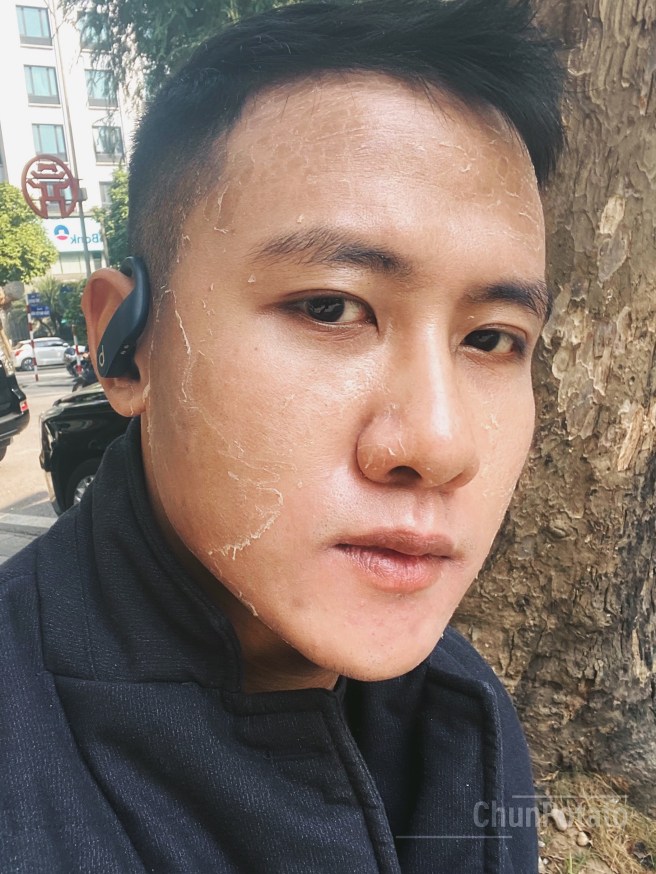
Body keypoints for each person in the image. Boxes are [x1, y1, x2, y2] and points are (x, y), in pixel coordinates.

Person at [0, 0, 564, 870]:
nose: (440, 446)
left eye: (491, 338)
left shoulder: (463, 713)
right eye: (330, 307)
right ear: (126, 348)